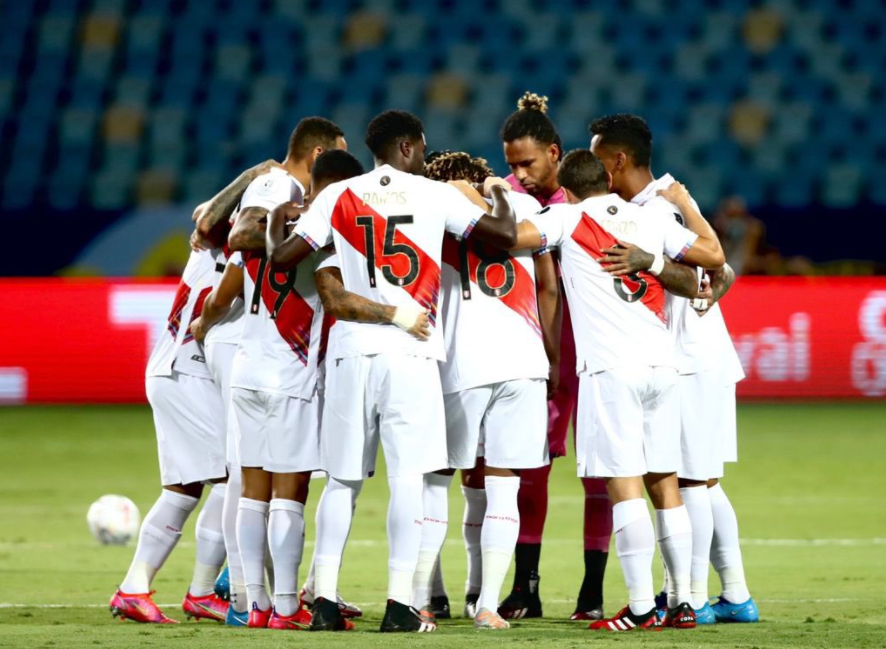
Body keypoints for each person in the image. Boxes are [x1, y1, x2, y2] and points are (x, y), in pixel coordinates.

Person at [265, 109, 517, 633]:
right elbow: (502, 235)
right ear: (405, 147)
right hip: (411, 349)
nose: (425, 157)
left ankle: (327, 602)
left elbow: (283, 258)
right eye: (422, 149)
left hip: (352, 352)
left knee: (341, 482)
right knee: (407, 480)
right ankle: (400, 603)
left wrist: (273, 219)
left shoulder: (338, 195)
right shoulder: (434, 194)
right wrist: (495, 192)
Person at [511, 149, 726, 632]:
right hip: (661, 368)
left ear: (566, 187)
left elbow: (510, 238)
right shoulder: (650, 218)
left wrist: (497, 199)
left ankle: (640, 607)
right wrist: (672, 227)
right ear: (608, 177)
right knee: (664, 484)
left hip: (611, 372)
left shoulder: (565, 217)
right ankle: (684, 601)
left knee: (623, 485)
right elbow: (713, 258)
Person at [590, 114, 758, 623]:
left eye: (599, 161)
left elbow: (716, 267)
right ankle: (735, 595)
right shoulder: (659, 200)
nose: (597, 175)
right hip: (694, 354)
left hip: (687, 357)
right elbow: (719, 273)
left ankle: (691, 598)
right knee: (702, 480)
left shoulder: (658, 205)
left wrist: (682, 275)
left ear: (618, 160)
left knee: (687, 481)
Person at [192, 118, 349, 631]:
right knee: (288, 492)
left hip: (249, 366)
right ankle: (283, 606)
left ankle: (252, 605)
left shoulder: (281, 215)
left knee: (252, 490)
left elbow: (229, 281)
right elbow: (242, 233)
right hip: (290, 370)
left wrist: (205, 322)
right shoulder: (297, 208)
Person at [412, 152, 558, 629]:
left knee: (435, 480)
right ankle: (487, 605)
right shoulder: (526, 210)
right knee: (503, 485)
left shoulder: (435, 216)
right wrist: (553, 358)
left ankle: (422, 598)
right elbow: (549, 286)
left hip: (462, 366)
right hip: (523, 362)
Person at [497, 92, 611, 621]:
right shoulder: (510, 204)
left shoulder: (581, 210)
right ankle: (527, 587)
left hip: (582, 353)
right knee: (531, 471)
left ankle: (593, 591)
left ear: (555, 153)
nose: (519, 173)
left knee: (600, 473)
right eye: (511, 164)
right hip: (537, 352)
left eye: (528, 163)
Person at [109, 248, 229, 625]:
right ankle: (203, 592)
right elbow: (207, 219)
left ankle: (133, 588)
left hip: (177, 370)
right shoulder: (231, 244)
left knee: (183, 488)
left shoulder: (224, 241)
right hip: (186, 372)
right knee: (235, 478)